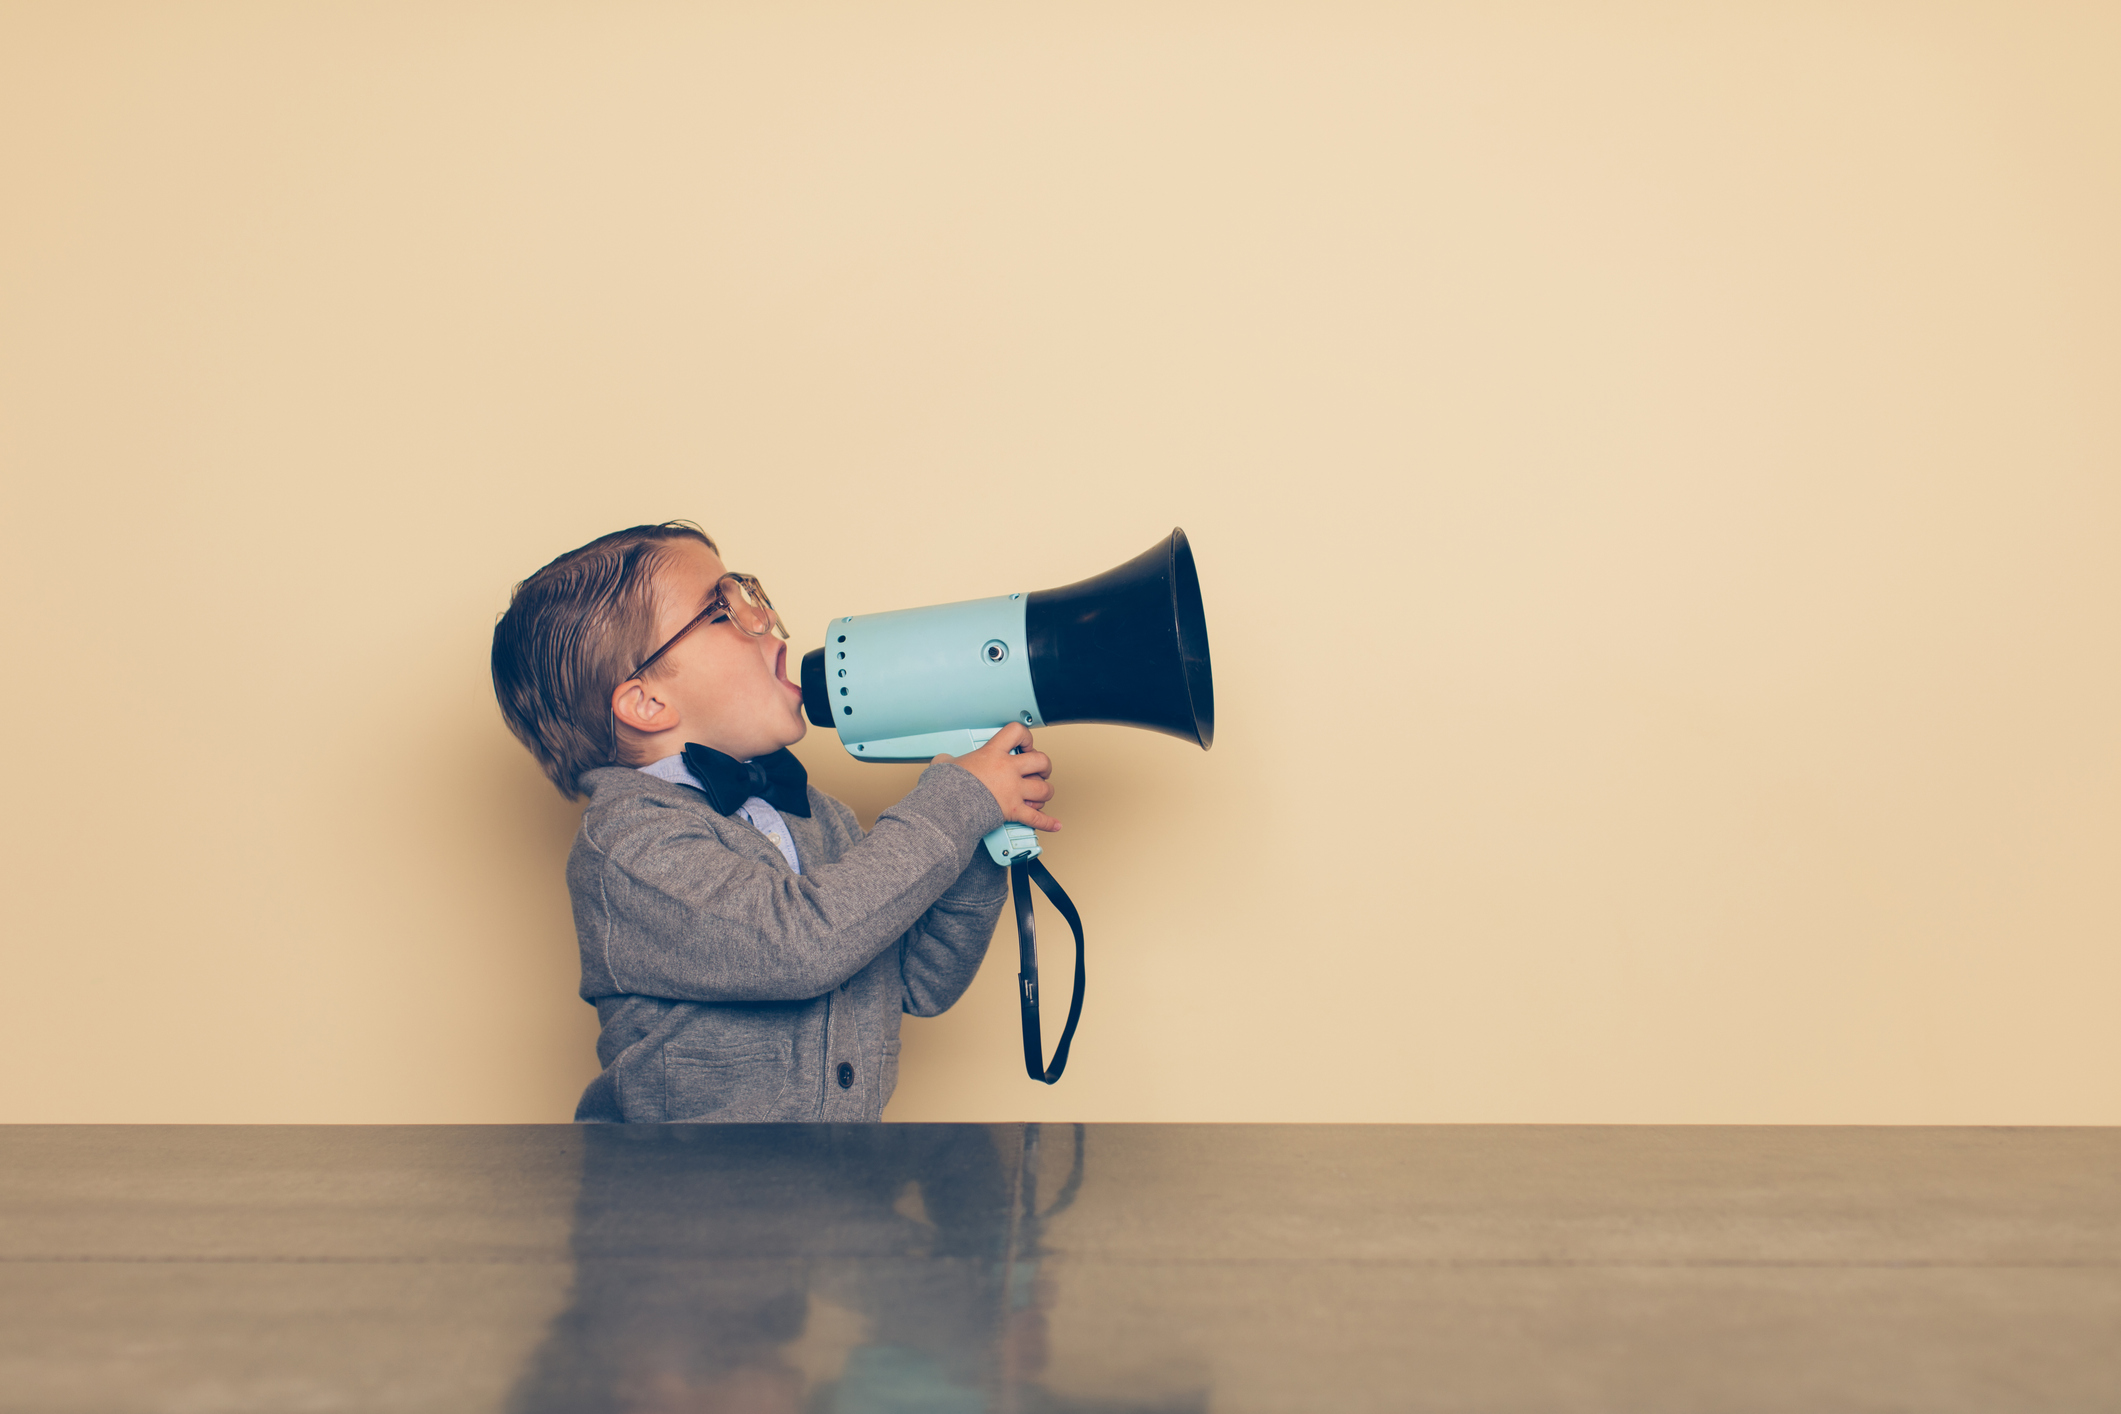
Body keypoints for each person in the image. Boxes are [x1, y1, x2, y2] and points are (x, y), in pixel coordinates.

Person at [491, 522, 1058, 1122]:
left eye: (750, 596)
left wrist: (979, 834)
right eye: (723, 610)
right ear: (647, 703)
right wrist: (955, 804)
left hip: (832, 1196)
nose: (763, 619)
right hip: (679, 1201)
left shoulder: (814, 815)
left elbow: (919, 980)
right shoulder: (629, 843)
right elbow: (801, 945)